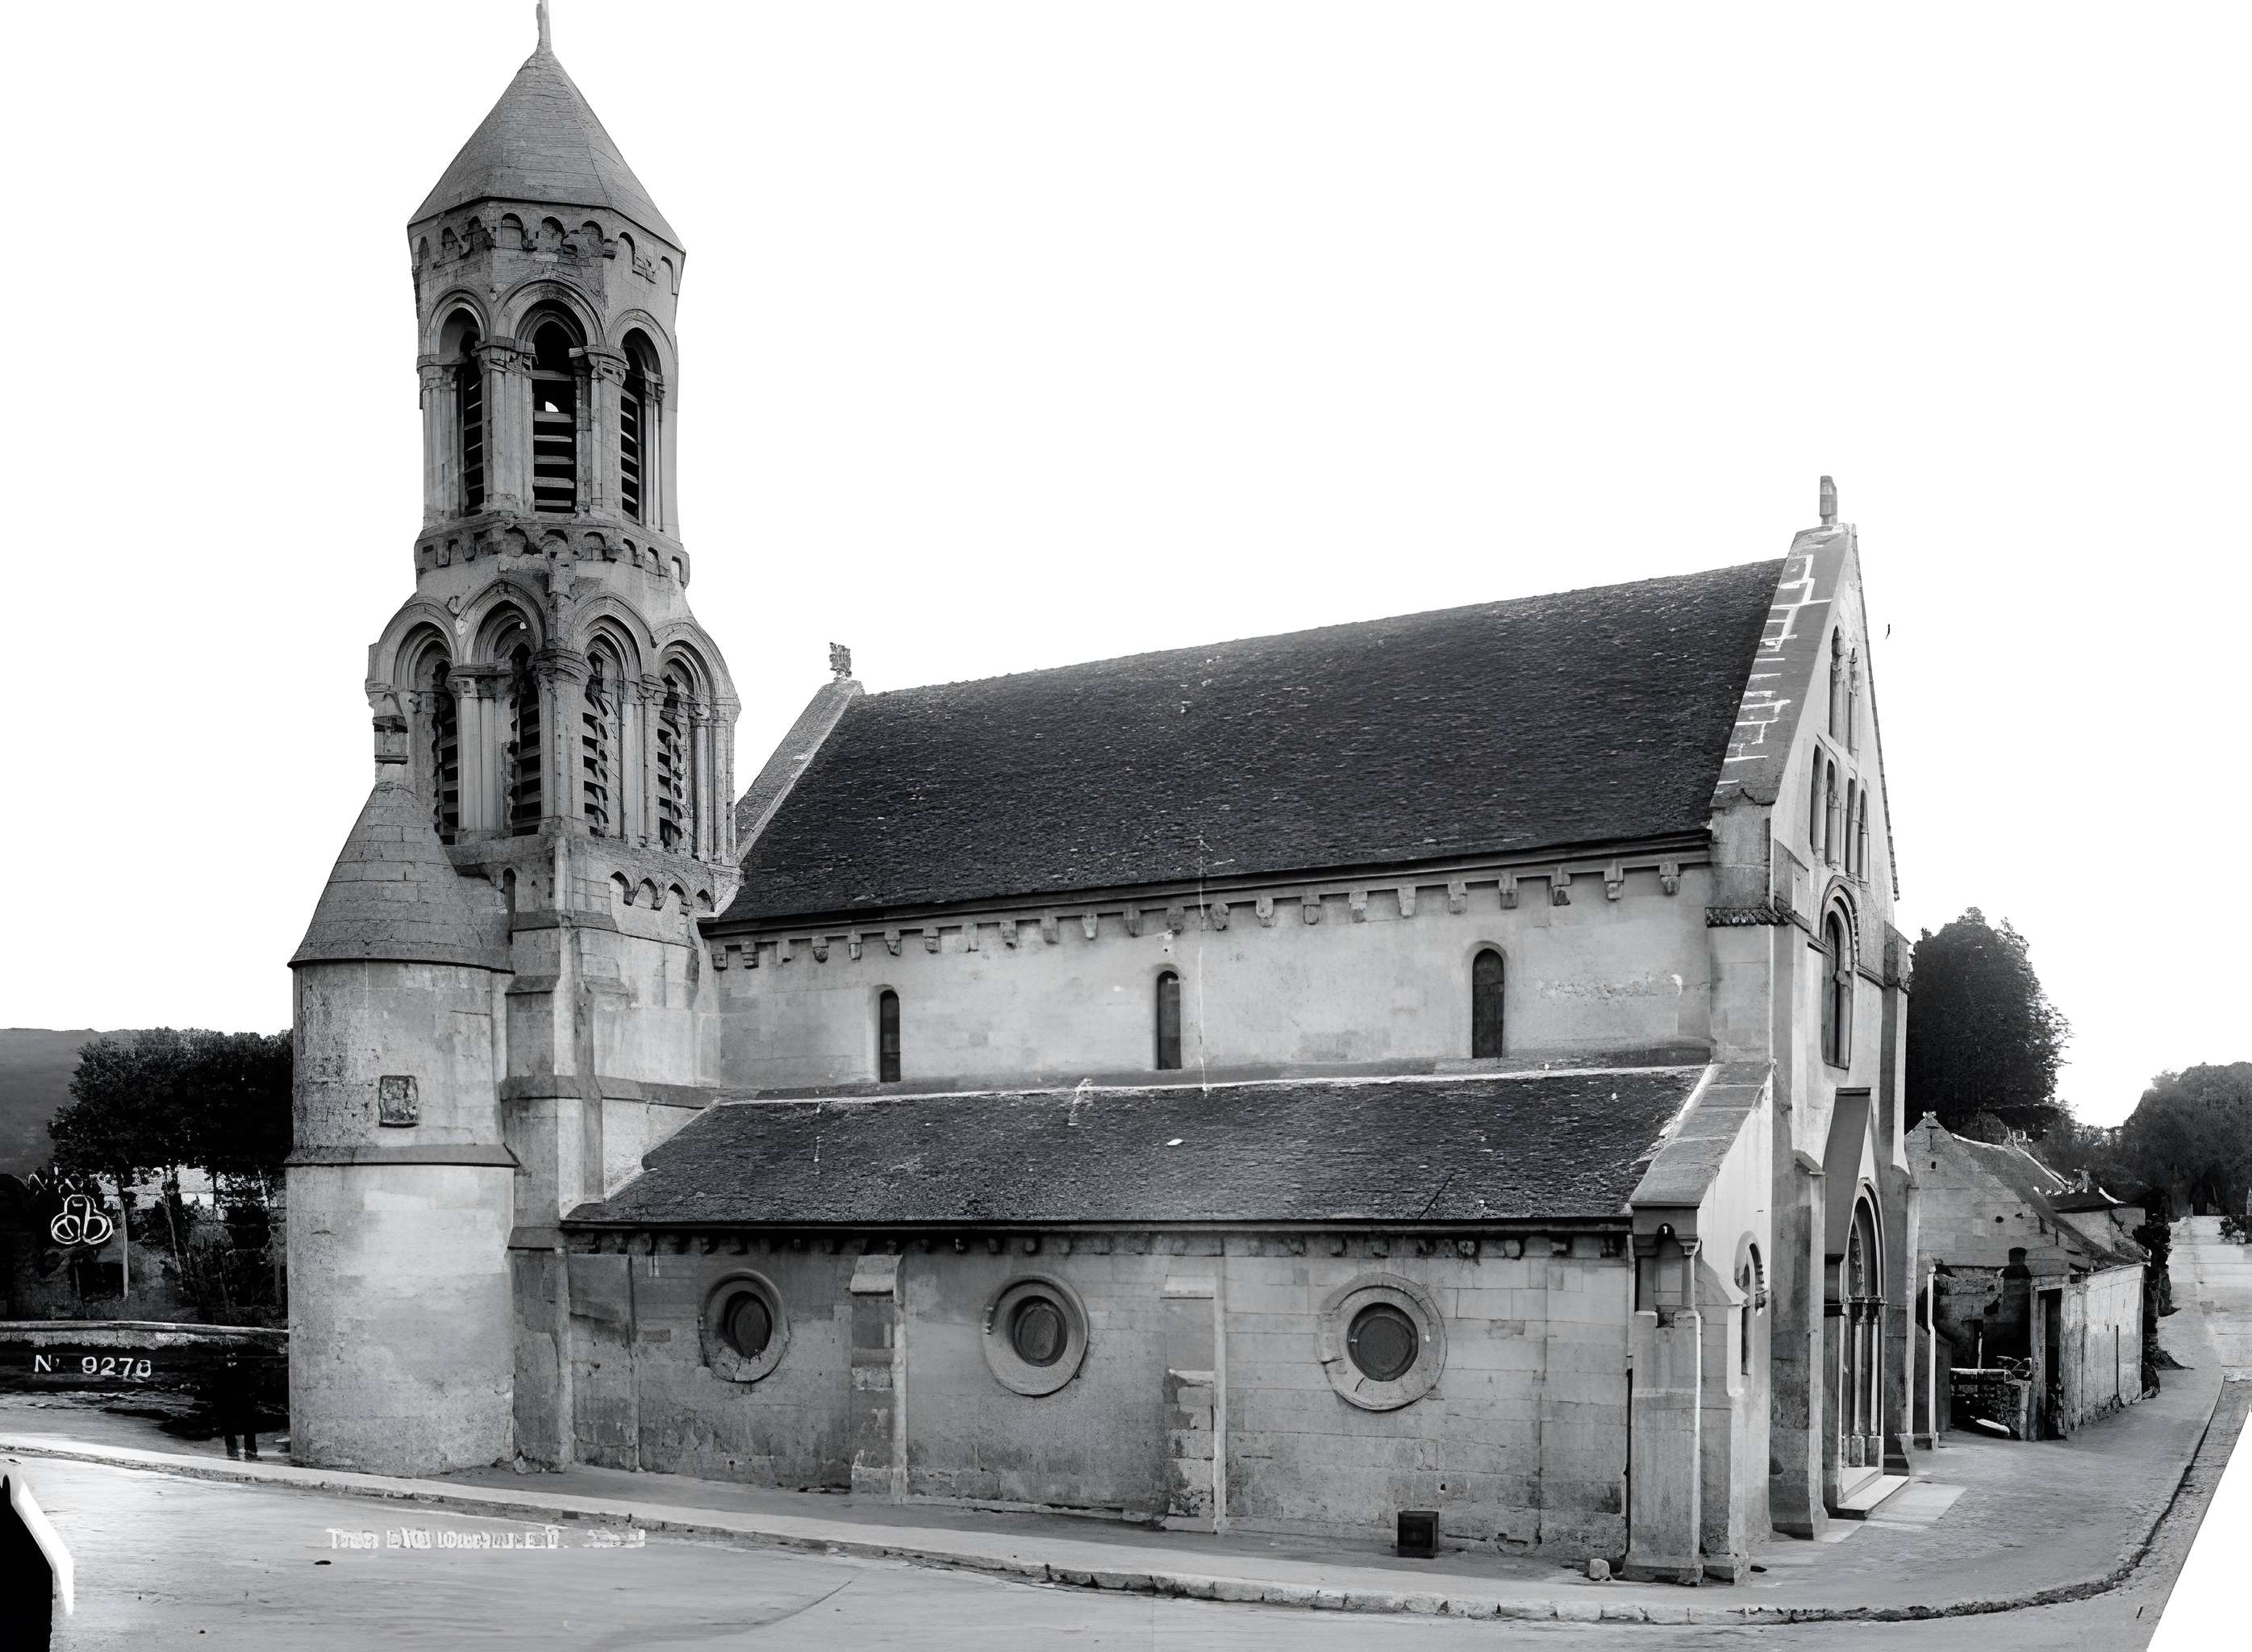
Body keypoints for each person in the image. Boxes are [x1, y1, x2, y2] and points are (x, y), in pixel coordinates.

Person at [215, 1350, 259, 1460]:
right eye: (230, 1354)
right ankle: (235, 1450)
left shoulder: (242, 1367)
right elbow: (217, 1386)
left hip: (239, 1400)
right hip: (230, 1400)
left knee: (246, 1426)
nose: (232, 1356)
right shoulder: (223, 1368)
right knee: (230, 1426)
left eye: (234, 1354)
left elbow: (251, 1383)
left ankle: (247, 1450)